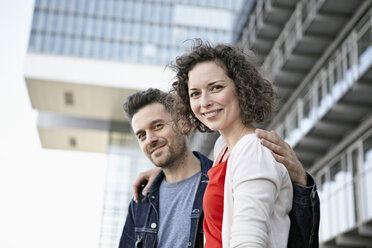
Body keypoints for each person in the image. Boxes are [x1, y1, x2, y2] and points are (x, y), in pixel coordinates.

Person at [119, 88, 319, 248]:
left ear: (182, 124)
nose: (150, 139)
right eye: (141, 135)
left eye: (157, 126)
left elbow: (289, 233)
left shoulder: (223, 181)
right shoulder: (142, 199)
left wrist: (301, 181)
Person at [170, 41, 317, 247]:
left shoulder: (252, 150)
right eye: (195, 93)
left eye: (216, 88)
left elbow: (249, 239)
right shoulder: (223, 150)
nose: (204, 102)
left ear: (241, 88)